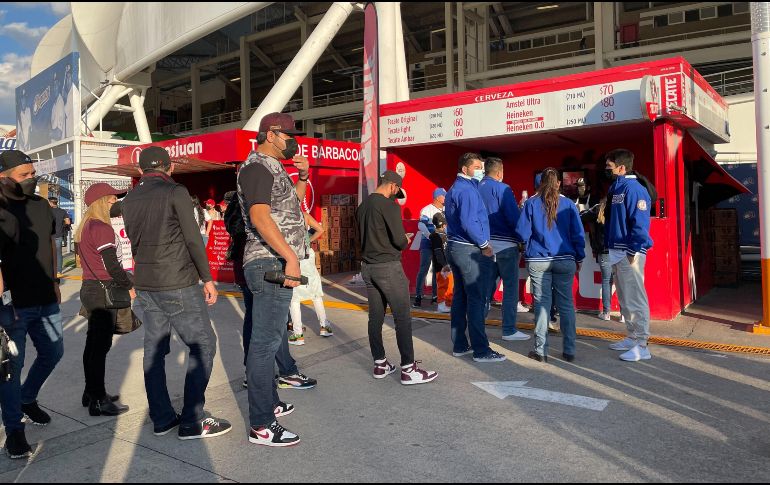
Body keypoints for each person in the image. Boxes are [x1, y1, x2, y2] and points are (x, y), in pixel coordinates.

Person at [122, 146, 231, 440]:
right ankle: (193, 420)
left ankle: (161, 418)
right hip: (177, 281)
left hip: (146, 282)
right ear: (169, 168)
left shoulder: (129, 198)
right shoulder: (175, 191)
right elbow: (193, 238)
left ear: (141, 171)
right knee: (203, 344)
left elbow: (133, 241)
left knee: (154, 351)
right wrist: (207, 278)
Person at [236, 112, 313, 447]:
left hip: (273, 261)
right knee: (265, 344)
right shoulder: (256, 166)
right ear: (271, 134)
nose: (293, 141)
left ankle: (271, 403)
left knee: (266, 339)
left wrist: (303, 175)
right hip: (269, 263)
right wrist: (291, 256)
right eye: (289, 135)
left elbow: (289, 207)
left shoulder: (273, 167)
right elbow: (259, 214)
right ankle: (262, 425)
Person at [0, 151, 63, 458]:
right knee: (11, 368)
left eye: (32, 173)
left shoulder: (40, 206)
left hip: (45, 298)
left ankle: (28, 397)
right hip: (12, 305)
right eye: (24, 175)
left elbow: (50, 242)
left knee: (54, 351)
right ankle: (14, 429)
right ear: (3, 176)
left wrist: (54, 279)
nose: (32, 179)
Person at [223, 191, 317, 393]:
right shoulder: (255, 206)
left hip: (245, 268)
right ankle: (286, 373)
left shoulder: (237, 208)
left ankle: (255, 374)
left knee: (254, 321)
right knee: (275, 321)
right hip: (261, 268)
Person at [356, 170, 438, 384]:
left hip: (368, 267)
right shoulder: (389, 205)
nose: (396, 195)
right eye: (396, 191)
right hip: (388, 267)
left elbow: (368, 236)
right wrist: (406, 238)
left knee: (375, 318)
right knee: (402, 317)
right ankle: (409, 369)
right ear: (393, 186)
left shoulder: (363, 206)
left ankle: (380, 363)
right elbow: (399, 241)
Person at [515, 168, 585, 363]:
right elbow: (578, 235)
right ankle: (569, 350)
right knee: (566, 305)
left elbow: (521, 234)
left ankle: (541, 351)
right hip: (565, 260)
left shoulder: (530, 203)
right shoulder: (569, 205)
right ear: (559, 184)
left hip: (538, 260)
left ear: (540, 184)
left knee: (542, 304)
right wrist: (579, 257)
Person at [75, 183, 132, 417]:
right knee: (100, 347)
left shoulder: (85, 226)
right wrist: (129, 284)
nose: (114, 202)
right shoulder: (101, 227)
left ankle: (92, 392)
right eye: (111, 199)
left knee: (93, 345)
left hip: (90, 288)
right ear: (101, 202)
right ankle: (98, 399)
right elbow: (112, 265)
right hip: (104, 290)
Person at [445, 153, 506, 363]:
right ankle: (481, 350)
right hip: (468, 249)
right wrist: (484, 245)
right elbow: (469, 222)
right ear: (465, 169)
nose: (481, 170)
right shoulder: (468, 190)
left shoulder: (455, 188)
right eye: (477, 167)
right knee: (477, 299)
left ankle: (460, 344)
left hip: (455, 247)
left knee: (461, 298)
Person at [604, 149, 654, 362]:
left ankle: (642, 344)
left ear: (622, 167)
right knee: (625, 298)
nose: (607, 171)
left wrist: (633, 250)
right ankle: (632, 336)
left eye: (610, 167)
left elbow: (640, 223)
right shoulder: (617, 187)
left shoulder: (634, 189)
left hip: (628, 251)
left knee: (635, 297)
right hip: (617, 251)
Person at [478, 157, 529, 342]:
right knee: (510, 289)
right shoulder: (502, 188)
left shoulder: (476, 187)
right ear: (499, 172)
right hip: (506, 245)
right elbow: (514, 218)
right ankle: (509, 330)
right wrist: (523, 239)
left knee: (484, 289)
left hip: (484, 245)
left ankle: (477, 327)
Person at [289, 212, 334, 345]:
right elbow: (320, 230)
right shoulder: (304, 215)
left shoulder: (283, 215)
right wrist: (309, 240)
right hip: (308, 253)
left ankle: (298, 334)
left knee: (294, 297)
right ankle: (324, 326)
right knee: (316, 293)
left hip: (293, 255)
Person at [413, 188, 446, 307]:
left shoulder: (446, 210)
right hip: (427, 243)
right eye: (444, 196)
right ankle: (418, 296)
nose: (446, 198)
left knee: (437, 269)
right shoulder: (426, 209)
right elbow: (421, 224)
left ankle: (435, 296)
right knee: (424, 268)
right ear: (438, 197)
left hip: (440, 244)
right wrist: (430, 235)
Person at [429, 212, 453, 314]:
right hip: (442, 266)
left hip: (447, 265)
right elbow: (438, 252)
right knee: (443, 285)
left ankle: (448, 304)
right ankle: (441, 304)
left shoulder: (445, 235)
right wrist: (444, 265)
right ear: (443, 225)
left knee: (450, 285)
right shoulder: (435, 236)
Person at [49, 197, 71, 277]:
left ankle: (51, 270)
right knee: (59, 254)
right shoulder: (62, 211)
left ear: (51, 203)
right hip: (59, 235)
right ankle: (59, 271)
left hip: (49, 236)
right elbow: (68, 222)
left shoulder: (47, 211)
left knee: (49, 254)